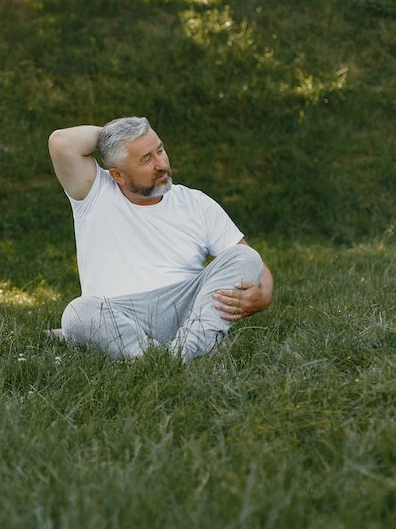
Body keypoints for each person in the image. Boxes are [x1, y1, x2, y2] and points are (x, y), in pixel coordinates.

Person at [47, 117, 273, 362]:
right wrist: (117, 136)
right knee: (77, 314)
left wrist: (264, 297)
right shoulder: (94, 192)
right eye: (146, 159)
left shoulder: (196, 203)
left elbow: (253, 264)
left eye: (160, 150)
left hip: (187, 308)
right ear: (118, 175)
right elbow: (61, 142)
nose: (162, 164)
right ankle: (178, 354)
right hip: (118, 313)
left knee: (245, 256)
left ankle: (178, 351)